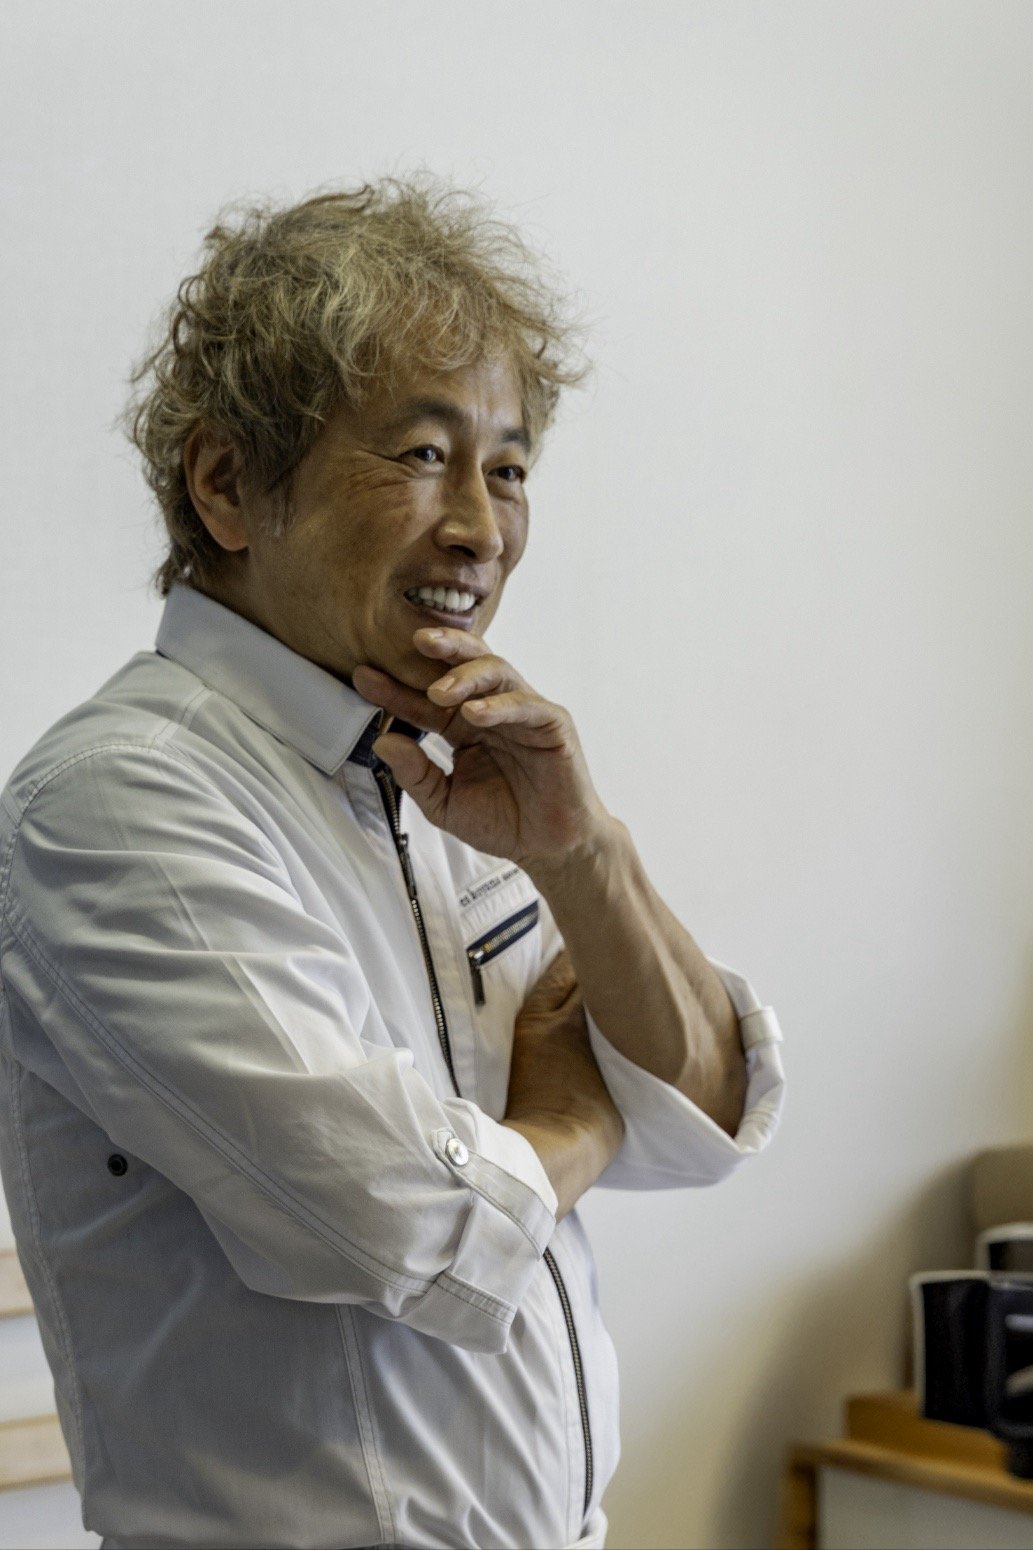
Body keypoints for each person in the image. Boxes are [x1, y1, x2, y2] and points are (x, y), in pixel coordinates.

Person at [0, 175, 785, 1550]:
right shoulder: (116, 801)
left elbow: (702, 1117)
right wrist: (571, 1118)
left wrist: (583, 853)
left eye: (509, 467)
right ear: (228, 484)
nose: (481, 526)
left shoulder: (434, 765)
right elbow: (407, 1226)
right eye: (424, 453)